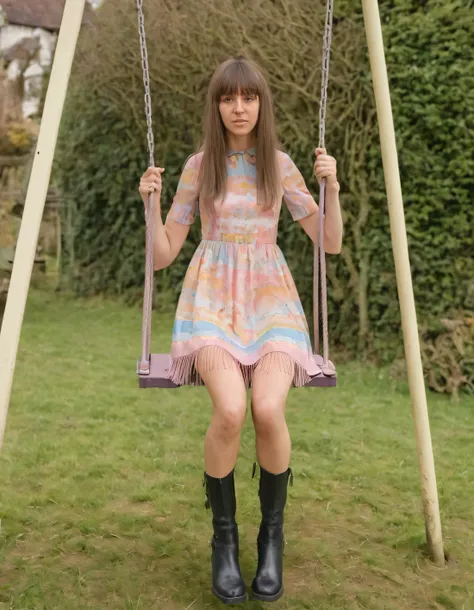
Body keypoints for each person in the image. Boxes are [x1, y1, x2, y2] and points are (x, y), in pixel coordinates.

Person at [138, 57, 343, 604]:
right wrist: (151, 204)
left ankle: (270, 536)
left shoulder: (280, 166)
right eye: (228, 98)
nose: (239, 107)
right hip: (210, 302)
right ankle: (223, 540)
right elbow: (161, 257)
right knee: (230, 410)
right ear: (216, 105)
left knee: (268, 409)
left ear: (261, 104)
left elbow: (329, 241)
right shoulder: (198, 168)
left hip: (271, 302)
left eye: (248, 98)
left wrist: (333, 189)